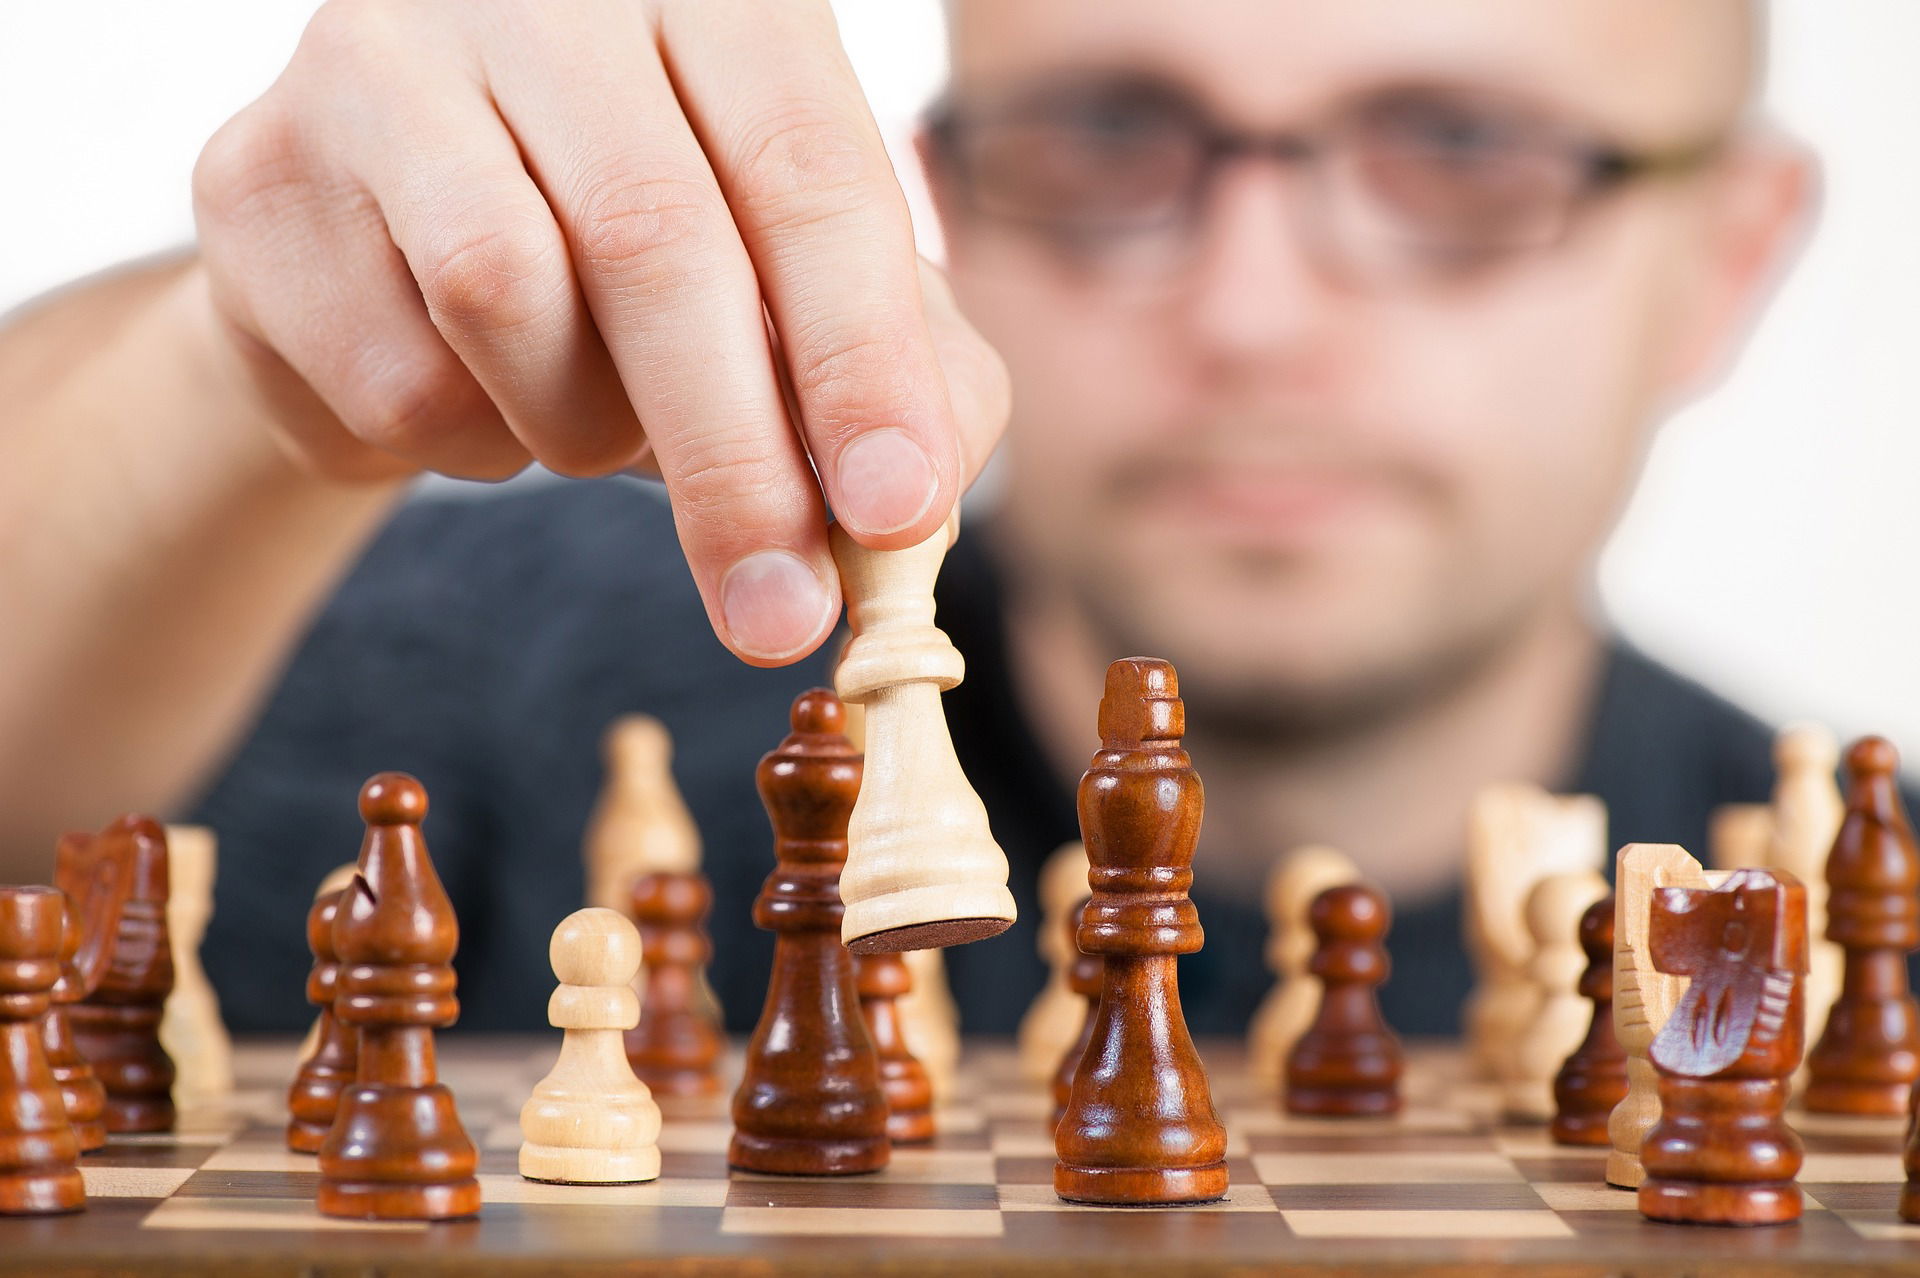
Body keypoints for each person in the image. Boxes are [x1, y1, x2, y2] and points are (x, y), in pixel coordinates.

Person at [0, 0, 1823, 1034]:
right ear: (940, 200)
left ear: (1725, 259)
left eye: (1462, 153)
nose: (1254, 315)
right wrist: (240, 381)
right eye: (1111, 137)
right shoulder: (486, 657)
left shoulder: (1804, 915)